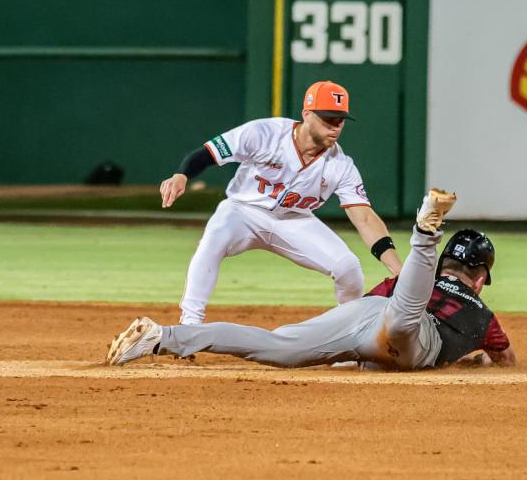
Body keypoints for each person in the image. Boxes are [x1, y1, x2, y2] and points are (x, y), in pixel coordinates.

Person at [107, 189, 517, 371]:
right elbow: (505, 359)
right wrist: (481, 360)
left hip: (369, 313)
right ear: (480, 277)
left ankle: (162, 336)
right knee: (406, 318)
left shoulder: (404, 286)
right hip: (410, 333)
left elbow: (371, 310)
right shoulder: (483, 313)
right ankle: (425, 234)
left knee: (276, 345)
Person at [159, 80, 402, 326]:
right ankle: (190, 324)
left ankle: (349, 335)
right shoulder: (265, 133)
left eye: (340, 120)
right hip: (243, 211)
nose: (335, 127)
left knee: (348, 267)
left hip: (295, 220)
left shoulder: (341, 165)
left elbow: (365, 218)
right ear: (307, 114)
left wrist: (398, 268)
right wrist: (182, 174)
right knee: (214, 239)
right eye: (328, 118)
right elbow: (208, 153)